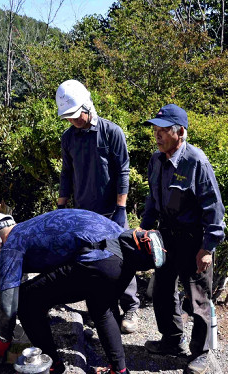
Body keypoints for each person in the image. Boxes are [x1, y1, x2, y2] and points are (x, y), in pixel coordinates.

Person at [0, 209, 166, 374]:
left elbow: (9, 301)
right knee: (101, 309)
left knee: (26, 300)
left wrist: (3, 338)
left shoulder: (12, 242)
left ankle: (51, 365)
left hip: (98, 261)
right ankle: (119, 370)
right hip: (124, 257)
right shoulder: (33, 226)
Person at [140, 104, 225, 374]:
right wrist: (144, 228)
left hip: (194, 240)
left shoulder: (196, 161)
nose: (158, 135)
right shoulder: (156, 160)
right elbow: (153, 199)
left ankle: (201, 353)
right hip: (166, 236)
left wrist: (208, 247)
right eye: (156, 130)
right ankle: (172, 340)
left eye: (164, 130)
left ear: (181, 132)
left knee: (197, 298)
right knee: (162, 290)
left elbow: (214, 208)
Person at [55, 79, 140, 333]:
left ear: (87, 105)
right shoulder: (69, 138)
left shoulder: (111, 132)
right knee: (91, 262)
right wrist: (62, 207)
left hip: (110, 210)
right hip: (83, 211)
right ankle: (102, 308)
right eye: (68, 117)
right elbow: (66, 173)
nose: (73, 120)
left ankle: (132, 308)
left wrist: (121, 208)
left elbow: (122, 171)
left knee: (121, 260)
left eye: (75, 115)